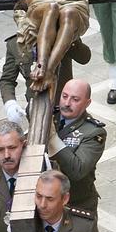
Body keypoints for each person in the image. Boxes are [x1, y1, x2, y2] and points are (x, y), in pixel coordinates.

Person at [5, 170, 106, 232]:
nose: (42, 205)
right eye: (39, 196)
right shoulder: (22, 223)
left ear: (65, 199)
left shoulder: (84, 226)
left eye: (50, 199)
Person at [47, 79, 106, 212]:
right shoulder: (50, 116)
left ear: (87, 103)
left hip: (76, 204)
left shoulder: (94, 132)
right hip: (45, 201)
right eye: (64, 96)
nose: (67, 103)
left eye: (75, 99)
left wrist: (52, 138)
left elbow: (77, 170)